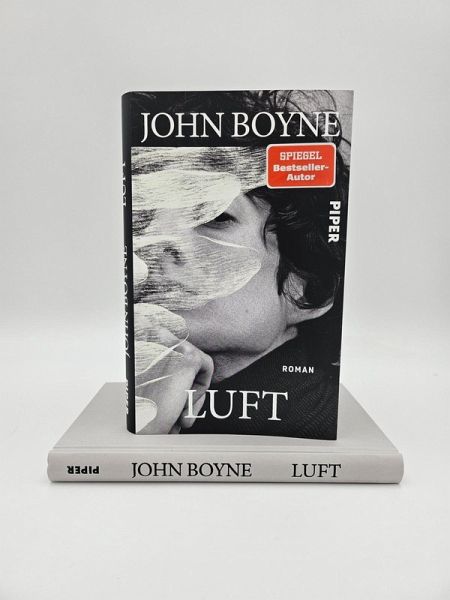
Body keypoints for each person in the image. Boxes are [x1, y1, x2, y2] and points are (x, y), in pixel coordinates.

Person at [132, 90, 350, 438]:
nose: (154, 244)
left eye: (215, 216)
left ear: (308, 290)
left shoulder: (318, 427)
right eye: (143, 221)